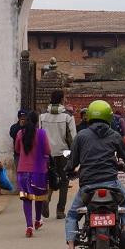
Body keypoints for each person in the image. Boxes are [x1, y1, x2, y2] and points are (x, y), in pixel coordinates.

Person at [59, 100, 125, 249]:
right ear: (109, 117)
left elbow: (72, 162)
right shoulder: (114, 135)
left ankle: (71, 247)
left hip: (88, 186)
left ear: (89, 116)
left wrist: (69, 171)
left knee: (72, 215)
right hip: (111, 184)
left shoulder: (81, 136)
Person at [39, 90, 77, 219]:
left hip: (47, 153)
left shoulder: (42, 116)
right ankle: (60, 210)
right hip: (63, 153)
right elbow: (73, 137)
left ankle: (46, 199)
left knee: (49, 178)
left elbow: (39, 134)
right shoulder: (68, 116)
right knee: (64, 181)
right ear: (61, 99)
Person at [16, 110, 51, 237]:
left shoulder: (20, 133)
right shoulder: (42, 133)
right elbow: (47, 150)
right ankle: (38, 220)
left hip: (23, 170)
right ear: (37, 121)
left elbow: (17, 149)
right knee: (39, 197)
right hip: (39, 171)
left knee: (26, 199)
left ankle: (29, 226)